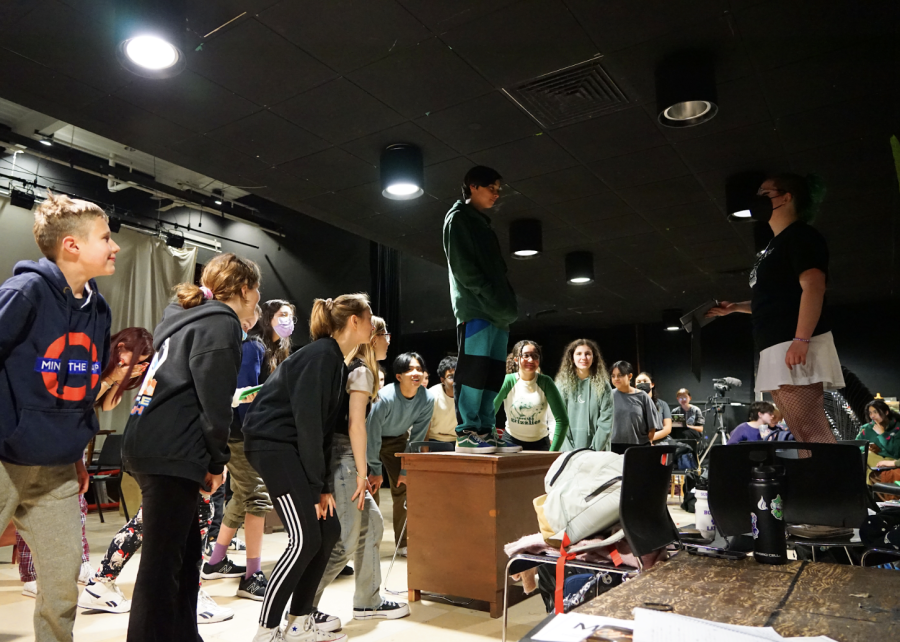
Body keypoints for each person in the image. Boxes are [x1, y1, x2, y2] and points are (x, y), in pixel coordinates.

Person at [122, 253, 261, 642]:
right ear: (246, 290)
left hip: (150, 438)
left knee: (182, 560)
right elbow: (214, 401)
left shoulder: (186, 317)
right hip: (171, 447)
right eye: (257, 290)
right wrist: (218, 460)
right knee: (161, 566)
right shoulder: (222, 322)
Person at [0, 192, 117, 642]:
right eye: (105, 237)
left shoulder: (99, 310)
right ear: (72, 245)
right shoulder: (24, 291)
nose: (114, 246)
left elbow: (81, 390)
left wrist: (78, 455)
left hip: (58, 470)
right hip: (6, 459)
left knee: (63, 584)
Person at [243, 293, 373, 642]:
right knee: (304, 540)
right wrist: (316, 487)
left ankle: (299, 623)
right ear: (354, 321)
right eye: (369, 316)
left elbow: (324, 430)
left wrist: (324, 486)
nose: (374, 324)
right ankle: (266, 631)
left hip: (289, 448)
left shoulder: (336, 362)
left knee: (327, 533)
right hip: (272, 446)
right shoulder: (321, 357)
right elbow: (308, 426)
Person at [708, 173, 843, 443]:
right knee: (800, 429)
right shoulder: (774, 245)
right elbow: (777, 298)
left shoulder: (801, 235)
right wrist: (735, 307)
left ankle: (833, 484)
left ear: (787, 197)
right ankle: (819, 481)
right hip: (776, 344)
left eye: (765, 194)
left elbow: (814, 286)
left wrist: (801, 339)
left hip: (793, 342)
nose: (759, 199)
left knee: (810, 428)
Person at [313, 316, 409, 630]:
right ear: (371, 335)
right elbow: (354, 426)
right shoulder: (360, 370)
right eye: (384, 333)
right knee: (343, 541)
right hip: (343, 457)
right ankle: (303, 608)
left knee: (372, 524)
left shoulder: (359, 369)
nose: (389, 340)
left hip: (345, 456)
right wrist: (362, 469)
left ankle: (368, 601)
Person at [204, 302, 294, 600]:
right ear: (265, 319)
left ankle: (216, 561)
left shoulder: (269, 349)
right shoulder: (255, 346)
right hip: (243, 433)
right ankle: (252, 576)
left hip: (244, 432)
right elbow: (243, 396)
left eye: (291, 316)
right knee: (258, 496)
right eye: (282, 315)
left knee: (244, 495)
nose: (288, 320)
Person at [443, 165, 518, 454]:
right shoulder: (459, 219)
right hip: (477, 308)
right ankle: (467, 432)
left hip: (496, 312)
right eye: (491, 188)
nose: (496, 194)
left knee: (492, 373)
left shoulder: (480, 222)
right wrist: (491, 297)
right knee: (473, 371)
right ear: (473, 186)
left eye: (498, 189)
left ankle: (486, 430)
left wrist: (503, 302)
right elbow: (463, 268)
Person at [366, 352, 434, 556]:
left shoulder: (427, 398)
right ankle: (368, 542)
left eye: (419, 369)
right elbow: (372, 434)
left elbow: (417, 437)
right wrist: (375, 469)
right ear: (398, 376)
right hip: (370, 439)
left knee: (403, 488)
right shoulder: (384, 398)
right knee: (371, 488)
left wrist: (406, 468)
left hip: (397, 439)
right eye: (410, 369)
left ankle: (403, 543)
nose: (416, 373)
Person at [493, 340, 569, 452]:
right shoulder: (508, 381)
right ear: (516, 359)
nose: (531, 360)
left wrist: (552, 453)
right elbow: (489, 413)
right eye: (526, 355)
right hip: (510, 442)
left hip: (541, 445)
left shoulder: (546, 382)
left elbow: (562, 420)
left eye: (535, 356)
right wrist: (493, 438)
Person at [555, 339, 613, 451]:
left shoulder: (604, 386)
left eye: (588, 354)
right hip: (567, 452)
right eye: (578, 354)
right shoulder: (561, 385)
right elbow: (558, 420)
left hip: (597, 452)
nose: (583, 357)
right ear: (572, 358)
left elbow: (606, 422)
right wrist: (568, 451)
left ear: (593, 357)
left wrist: (594, 450)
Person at [609, 361, 659, 445]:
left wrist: (646, 444)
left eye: (620, 375)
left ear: (630, 376)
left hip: (638, 446)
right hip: (613, 445)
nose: (616, 379)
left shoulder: (642, 396)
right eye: (613, 376)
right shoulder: (608, 396)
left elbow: (652, 427)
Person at [856, 399, 900, 470]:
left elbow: (896, 452)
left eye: (875, 412)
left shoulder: (898, 428)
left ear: (886, 412)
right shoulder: (866, 428)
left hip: (892, 463)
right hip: (870, 461)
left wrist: (883, 434)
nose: (872, 416)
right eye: (870, 413)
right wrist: (868, 448)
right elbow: (856, 447)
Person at [427, 356, 458, 443]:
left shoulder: (467, 396)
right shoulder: (432, 395)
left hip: (458, 441)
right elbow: (425, 424)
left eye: (458, 376)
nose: (456, 380)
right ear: (442, 380)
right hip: (434, 440)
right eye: (451, 377)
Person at [635, 372, 672, 442]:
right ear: (635, 386)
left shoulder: (662, 404)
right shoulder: (633, 404)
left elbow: (667, 428)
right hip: (640, 442)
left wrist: (650, 439)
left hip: (660, 441)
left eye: (645, 381)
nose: (642, 383)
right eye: (638, 382)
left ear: (652, 384)